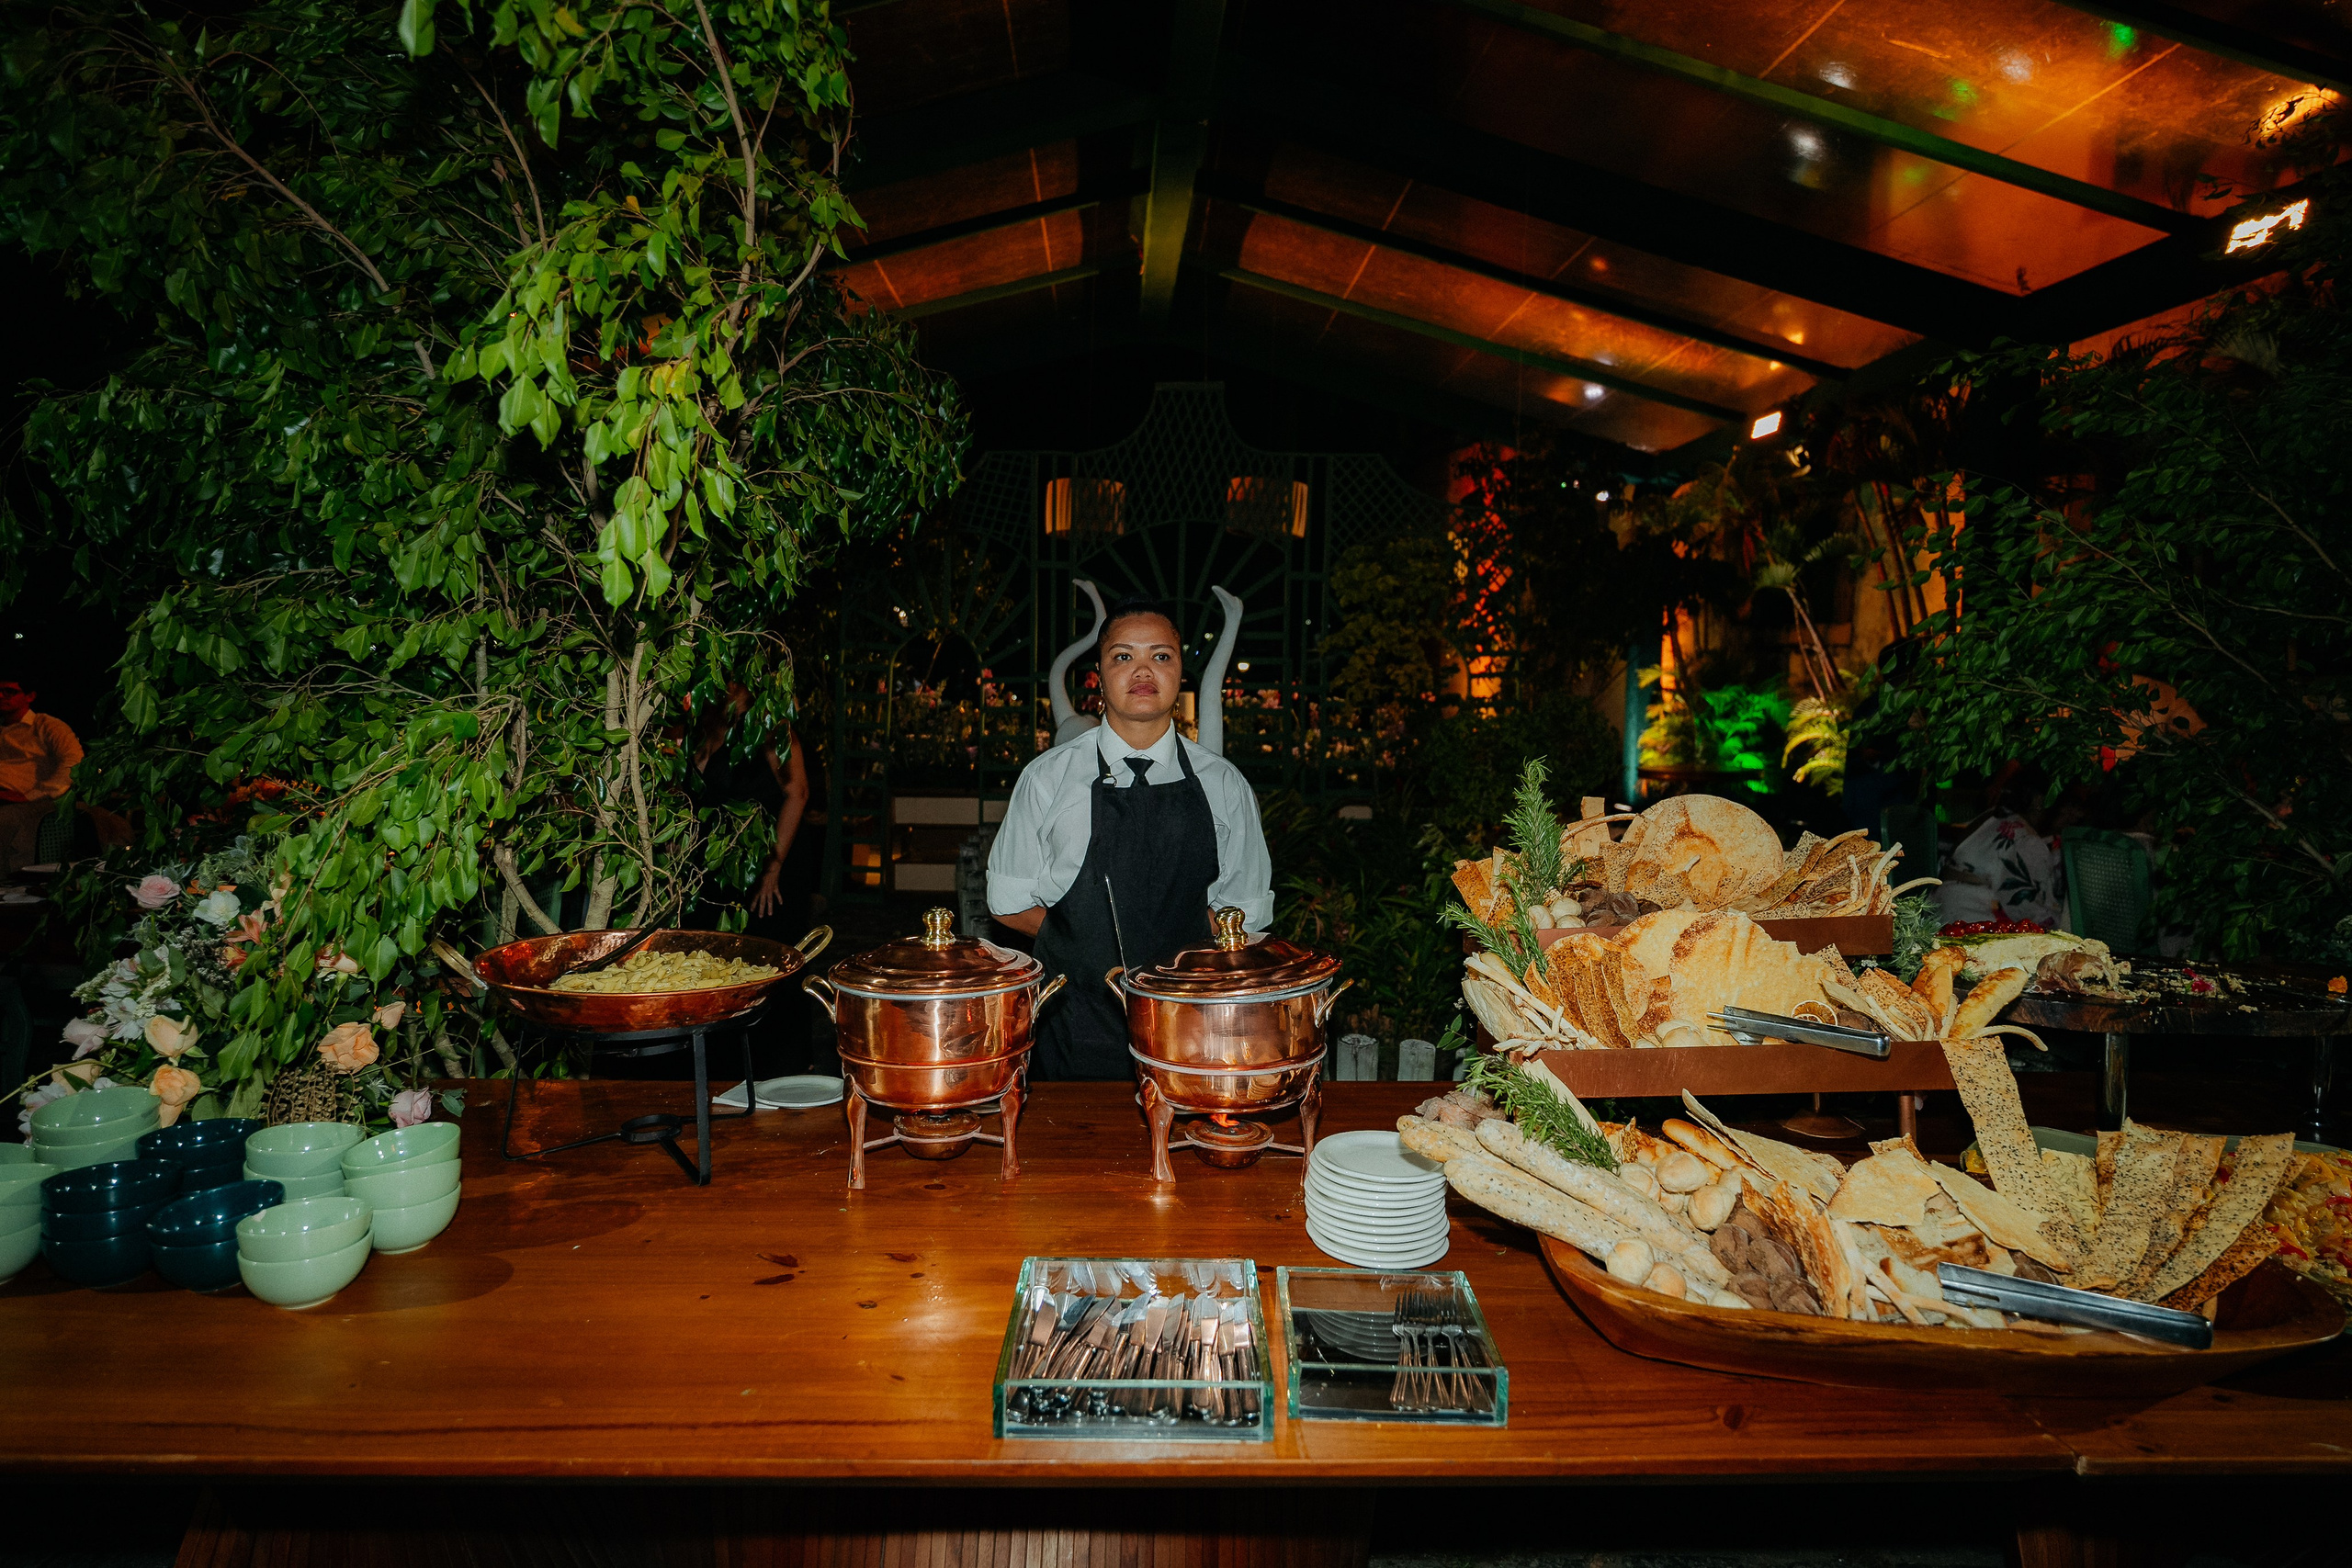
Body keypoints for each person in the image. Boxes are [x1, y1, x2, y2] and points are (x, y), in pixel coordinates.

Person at [987, 598, 1273, 1079]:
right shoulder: (1047, 778)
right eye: (1123, 656)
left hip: (1190, 1023)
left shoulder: (1224, 784)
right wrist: (1080, 943)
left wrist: (1179, 944)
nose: (1143, 671)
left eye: (1161, 656)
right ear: (1098, 673)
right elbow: (1007, 901)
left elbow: (1248, 907)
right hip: (1072, 1019)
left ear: (1181, 671)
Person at [0, 682, 82, 879]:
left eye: (10, 691)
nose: (2, 696)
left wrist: (32, 795)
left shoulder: (45, 725)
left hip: (34, 801)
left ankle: (14, 880)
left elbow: (73, 762)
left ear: (30, 696)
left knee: (7, 820)